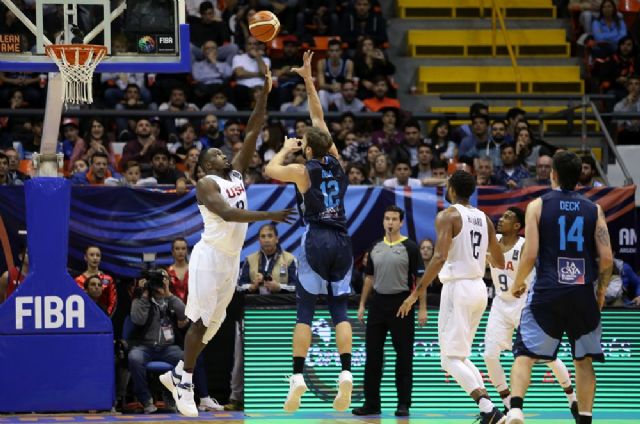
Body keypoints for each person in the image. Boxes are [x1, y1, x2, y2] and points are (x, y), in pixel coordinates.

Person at [159, 69, 296, 418]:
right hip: (209, 256)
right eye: (217, 153)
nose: (225, 154)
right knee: (202, 323)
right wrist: (270, 216)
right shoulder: (205, 183)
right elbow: (228, 215)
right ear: (205, 164)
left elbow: (253, 127)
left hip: (230, 258)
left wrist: (264, 92)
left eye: (223, 153)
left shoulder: (234, 174)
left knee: (215, 325)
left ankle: (176, 374)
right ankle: (185, 381)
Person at [264, 51, 354, 413]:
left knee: (304, 313)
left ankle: (297, 377)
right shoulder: (339, 163)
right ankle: (346, 372)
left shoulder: (303, 171)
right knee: (340, 313)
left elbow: (271, 169)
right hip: (343, 240)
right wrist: (309, 79)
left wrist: (286, 150)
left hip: (316, 238)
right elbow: (318, 117)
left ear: (309, 149)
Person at [506, 151, 614, 424]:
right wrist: (599, 293)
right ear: (580, 176)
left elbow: (530, 254)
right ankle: (585, 419)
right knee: (584, 360)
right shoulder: (594, 209)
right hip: (582, 292)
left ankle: (516, 409)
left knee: (524, 354)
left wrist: (517, 285)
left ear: (552, 173)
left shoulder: (537, 206)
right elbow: (607, 259)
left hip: (547, 291)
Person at [397, 170, 507, 424]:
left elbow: (439, 257)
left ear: (452, 190)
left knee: (448, 359)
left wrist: (416, 293)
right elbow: (499, 260)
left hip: (457, 289)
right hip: (479, 289)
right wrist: (477, 257)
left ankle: (488, 409)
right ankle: (489, 410)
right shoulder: (485, 219)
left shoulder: (448, 216)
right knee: (461, 356)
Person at [483, 208, 579, 419]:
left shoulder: (524, 245)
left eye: (508, 217)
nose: (501, 218)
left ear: (517, 226)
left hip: (525, 304)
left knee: (548, 358)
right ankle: (509, 406)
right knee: (489, 355)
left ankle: (572, 399)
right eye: (503, 215)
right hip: (500, 303)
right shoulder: (493, 240)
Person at [353, 206, 424, 417]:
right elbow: (369, 278)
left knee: (403, 357)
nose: (390, 222)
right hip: (377, 304)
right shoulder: (375, 246)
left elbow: (420, 280)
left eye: (394, 219)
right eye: (387, 219)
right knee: (372, 357)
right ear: (383, 222)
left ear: (401, 222)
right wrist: (362, 304)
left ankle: (403, 404)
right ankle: (371, 403)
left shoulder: (410, 247)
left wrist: (421, 308)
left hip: (402, 304)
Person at [238, 223, 299, 294]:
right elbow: (239, 286)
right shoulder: (249, 259)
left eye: (270, 236)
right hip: (255, 303)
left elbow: (297, 286)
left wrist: (279, 287)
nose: (266, 240)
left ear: (276, 239)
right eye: (263, 236)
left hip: (281, 303)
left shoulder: (290, 259)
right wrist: (253, 286)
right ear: (259, 240)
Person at [74, 246, 117, 317]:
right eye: (91, 255)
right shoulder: (78, 280)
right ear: (85, 257)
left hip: (103, 318)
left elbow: (113, 302)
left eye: (98, 255)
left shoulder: (108, 279)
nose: (95, 258)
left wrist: (105, 317)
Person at [166, 238, 190, 303]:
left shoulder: (193, 270)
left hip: (191, 311)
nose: (180, 251)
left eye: (183, 248)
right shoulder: (168, 273)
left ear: (187, 250)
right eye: (177, 248)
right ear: (172, 251)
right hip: (172, 310)